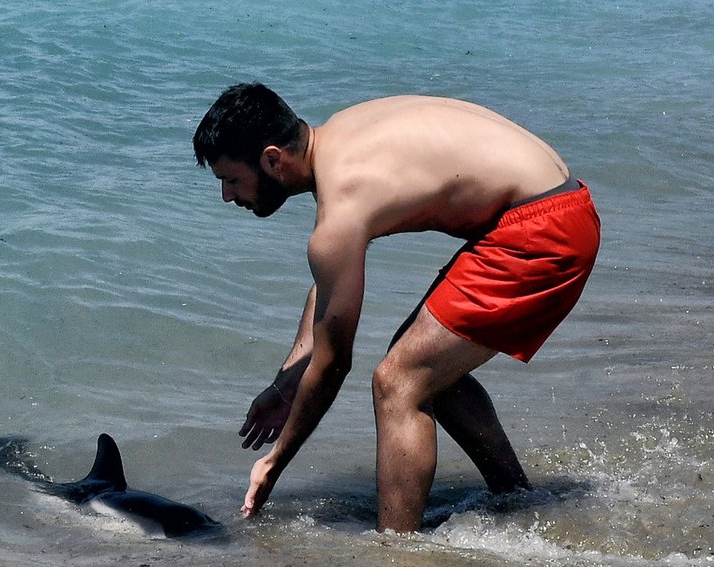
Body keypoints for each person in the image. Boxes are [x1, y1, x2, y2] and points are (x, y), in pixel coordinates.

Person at [193, 83, 601, 533]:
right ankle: (515, 498)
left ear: (273, 159)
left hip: (542, 230)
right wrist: (288, 381)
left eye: (231, 180)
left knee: (398, 382)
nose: (228, 197)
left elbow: (333, 363)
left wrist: (275, 461)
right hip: (561, 202)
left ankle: (399, 555)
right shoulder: (342, 137)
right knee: (425, 367)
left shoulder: (342, 202)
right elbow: (331, 288)